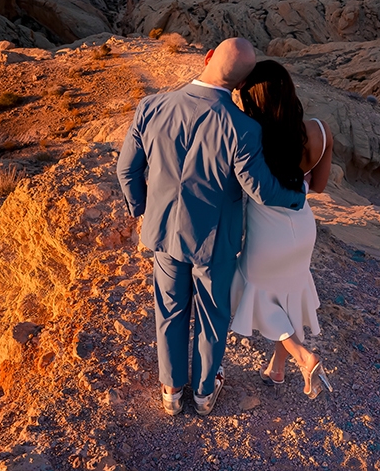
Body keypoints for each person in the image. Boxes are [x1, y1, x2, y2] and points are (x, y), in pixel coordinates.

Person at [116, 38, 306, 417]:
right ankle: (204, 393)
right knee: (211, 314)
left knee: (169, 311)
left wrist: (144, 209)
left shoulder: (151, 106)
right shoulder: (243, 128)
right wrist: (296, 196)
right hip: (213, 241)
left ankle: (171, 391)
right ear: (240, 84)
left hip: (164, 236)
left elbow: (127, 170)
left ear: (207, 58)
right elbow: (259, 189)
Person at [229, 59, 335, 399]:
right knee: (290, 293)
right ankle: (277, 369)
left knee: (253, 290)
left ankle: (304, 356)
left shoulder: (252, 134)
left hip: (266, 230)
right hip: (302, 226)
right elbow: (318, 187)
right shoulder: (319, 131)